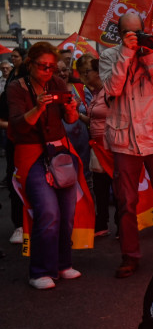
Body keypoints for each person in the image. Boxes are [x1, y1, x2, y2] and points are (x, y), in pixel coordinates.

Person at [100, 12, 153, 279]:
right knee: (125, 202)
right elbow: (112, 89)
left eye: (137, 32)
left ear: (145, 31)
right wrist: (125, 54)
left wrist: (149, 58)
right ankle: (130, 256)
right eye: (127, 33)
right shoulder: (110, 56)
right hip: (125, 141)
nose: (133, 37)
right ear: (120, 34)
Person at [7, 42, 92, 289]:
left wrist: (72, 110)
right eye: (43, 66)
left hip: (59, 152)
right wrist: (38, 106)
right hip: (32, 153)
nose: (48, 71)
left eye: (52, 67)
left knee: (66, 213)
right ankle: (40, 270)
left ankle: (63, 264)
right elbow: (18, 126)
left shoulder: (56, 83)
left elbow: (70, 120)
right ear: (30, 64)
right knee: (48, 211)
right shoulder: (17, 87)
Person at [81, 54, 117, 238]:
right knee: (100, 188)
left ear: (99, 73)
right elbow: (92, 119)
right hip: (97, 146)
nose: (85, 75)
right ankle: (101, 222)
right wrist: (75, 113)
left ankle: (122, 224)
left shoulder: (111, 92)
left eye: (88, 71)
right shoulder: (95, 93)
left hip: (111, 146)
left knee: (118, 187)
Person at [2, 46, 30, 244]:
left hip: (40, 148)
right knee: (16, 184)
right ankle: (20, 225)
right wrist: (16, 124)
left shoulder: (51, 87)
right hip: (17, 146)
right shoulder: (11, 90)